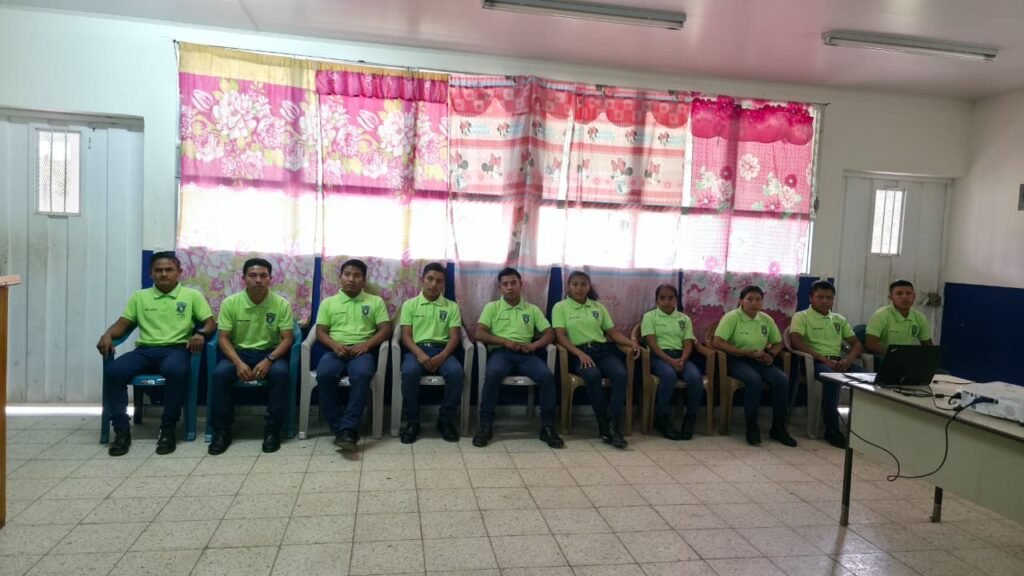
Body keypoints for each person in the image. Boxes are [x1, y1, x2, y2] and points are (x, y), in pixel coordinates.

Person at [97, 251, 215, 457]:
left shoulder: (192, 296)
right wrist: (107, 334)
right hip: (145, 350)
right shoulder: (140, 297)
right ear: (151, 273)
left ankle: (168, 430)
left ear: (179, 272)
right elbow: (123, 324)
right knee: (114, 372)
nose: (164, 274)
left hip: (176, 350)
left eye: (169, 270)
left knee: (176, 371)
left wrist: (200, 333)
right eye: (158, 270)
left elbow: (210, 323)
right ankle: (122, 431)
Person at [208, 258, 295, 455]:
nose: (258, 280)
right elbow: (223, 338)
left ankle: (272, 431)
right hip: (238, 353)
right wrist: (238, 363)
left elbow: (287, 339)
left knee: (281, 374)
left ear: (270, 279)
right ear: (243, 279)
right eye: (253, 275)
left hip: (270, 353)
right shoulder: (231, 303)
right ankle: (221, 432)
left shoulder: (281, 304)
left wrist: (269, 360)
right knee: (220, 374)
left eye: (263, 276)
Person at [474, 267, 563, 449]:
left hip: (526, 354)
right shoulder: (492, 307)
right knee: (493, 374)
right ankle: (485, 425)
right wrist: (504, 341)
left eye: (513, 283)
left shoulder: (532, 309)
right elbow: (479, 333)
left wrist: (534, 346)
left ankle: (547, 426)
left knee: (546, 376)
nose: (510, 287)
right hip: (501, 353)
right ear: (499, 287)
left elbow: (550, 333)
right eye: (505, 284)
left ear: (521, 284)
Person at [551, 271, 638, 449]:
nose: (579, 288)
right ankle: (603, 423)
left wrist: (632, 343)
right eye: (575, 284)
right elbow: (560, 336)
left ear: (589, 287)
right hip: (578, 352)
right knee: (592, 375)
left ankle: (614, 425)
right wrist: (579, 354)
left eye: (583, 284)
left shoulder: (598, 307)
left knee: (621, 374)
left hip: (602, 351)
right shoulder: (560, 307)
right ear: (569, 287)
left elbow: (612, 333)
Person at [314, 259, 392, 451]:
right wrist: (334, 345)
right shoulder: (328, 303)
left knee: (363, 375)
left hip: (362, 352)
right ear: (340, 278)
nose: (351, 279)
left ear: (364, 280)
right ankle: (340, 429)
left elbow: (386, 329)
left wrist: (367, 345)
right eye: (347, 274)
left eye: (357, 275)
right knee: (324, 375)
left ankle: (348, 428)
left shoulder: (375, 301)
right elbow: (320, 331)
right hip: (335, 351)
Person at [712, 285, 797, 447]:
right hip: (736, 359)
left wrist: (771, 355)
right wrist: (744, 353)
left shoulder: (765, 319)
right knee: (754, 380)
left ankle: (778, 428)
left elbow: (778, 343)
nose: (754, 303)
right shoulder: (732, 317)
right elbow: (717, 342)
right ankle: (751, 428)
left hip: (759, 358)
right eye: (749, 299)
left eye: (758, 299)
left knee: (782, 379)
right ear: (741, 301)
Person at [788, 280, 862, 448]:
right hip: (814, 362)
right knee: (833, 380)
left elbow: (857, 344)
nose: (824, 301)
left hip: (839, 361)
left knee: (869, 378)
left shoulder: (838, 319)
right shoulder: (801, 316)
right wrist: (824, 360)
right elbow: (796, 342)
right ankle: (832, 429)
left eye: (829, 298)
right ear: (811, 298)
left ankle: (861, 426)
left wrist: (848, 360)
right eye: (820, 297)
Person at [398, 262, 464, 444]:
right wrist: (420, 354)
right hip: (416, 350)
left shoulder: (451, 306)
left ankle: (445, 420)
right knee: (409, 373)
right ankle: (413, 421)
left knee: (456, 373)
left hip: (443, 350)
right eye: (430, 279)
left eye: (439, 281)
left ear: (444, 284)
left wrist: (441, 356)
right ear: (422, 280)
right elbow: (406, 336)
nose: (434, 284)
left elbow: (455, 337)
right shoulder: (410, 305)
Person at [641, 284, 704, 441]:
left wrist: (682, 359)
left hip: (681, 357)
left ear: (676, 299)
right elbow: (652, 345)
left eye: (670, 298)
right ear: (656, 300)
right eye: (662, 298)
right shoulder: (649, 317)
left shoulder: (684, 319)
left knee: (695, 377)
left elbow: (688, 343)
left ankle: (690, 420)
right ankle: (662, 418)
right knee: (669, 376)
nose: (666, 301)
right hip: (659, 357)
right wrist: (670, 360)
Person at [865, 279, 934, 357]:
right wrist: (894, 356)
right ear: (890, 297)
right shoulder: (880, 315)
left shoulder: (920, 317)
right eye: (899, 294)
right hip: (884, 358)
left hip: (906, 358)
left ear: (914, 296)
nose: (904, 297)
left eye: (908, 293)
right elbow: (871, 344)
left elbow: (928, 346)